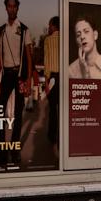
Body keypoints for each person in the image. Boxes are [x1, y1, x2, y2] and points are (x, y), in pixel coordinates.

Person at [0, 0, 33, 162]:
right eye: (9, 6)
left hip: (19, 76)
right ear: (6, 7)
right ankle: (2, 151)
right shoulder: (2, 29)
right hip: (6, 76)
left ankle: (14, 150)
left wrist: (28, 79)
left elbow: (29, 57)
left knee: (18, 113)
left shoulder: (24, 29)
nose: (11, 9)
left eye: (14, 6)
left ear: (17, 8)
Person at [42, 15, 61, 148]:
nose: (48, 27)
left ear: (54, 25)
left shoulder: (48, 40)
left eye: (49, 25)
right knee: (64, 110)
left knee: (53, 109)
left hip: (53, 77)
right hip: (65, 78)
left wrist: (46, 83)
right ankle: (64, 136)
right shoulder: (66, 40)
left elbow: (47, 63)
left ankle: (52, 136)